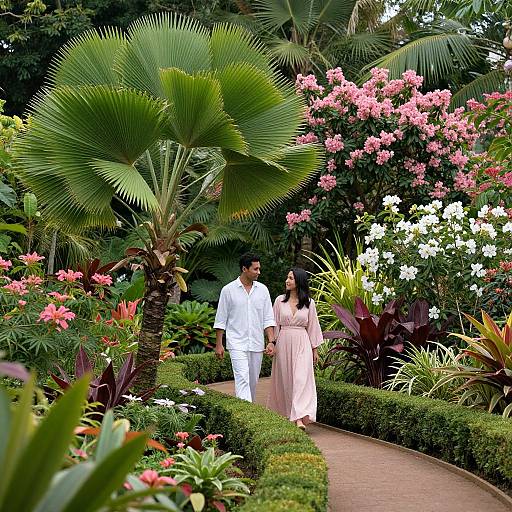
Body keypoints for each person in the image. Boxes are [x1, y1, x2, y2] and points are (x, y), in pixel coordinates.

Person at [213, 253, 276, 402]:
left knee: (253, 383)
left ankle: (248, 411)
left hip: (256, 344)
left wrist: (271, 341)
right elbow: (221, 319)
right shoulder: (228, 290)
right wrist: (219, 344)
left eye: (259, 268)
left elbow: (268, 318)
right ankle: (246, 416)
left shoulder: (263, 290)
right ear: (244, 269)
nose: (259, 272)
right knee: (242, 380)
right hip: (236, 343)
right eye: (255, 269)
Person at [267, 267, 323, 430]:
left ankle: (299, 418)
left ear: (299, 281)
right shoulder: (279, 301)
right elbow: (274, 323)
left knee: (300, 379)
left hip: (302, 343)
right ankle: (287, 414)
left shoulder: (309, 303)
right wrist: (272, 343)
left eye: (290, 278)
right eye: (287, 277)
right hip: (284, 342)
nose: (287, 281)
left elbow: (313, 326)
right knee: (286, 380)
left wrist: (315, 350)